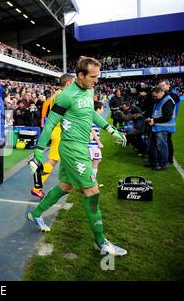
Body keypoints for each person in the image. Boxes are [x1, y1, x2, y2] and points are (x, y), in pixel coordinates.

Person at [27, 56, 128, 256]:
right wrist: (38, 151)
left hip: (80, 147)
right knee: (92, 192)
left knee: (65, 185)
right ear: (80, 75)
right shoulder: (65, 96)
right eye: (93, 77)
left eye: (97, 76)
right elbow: (49, 123)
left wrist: (110, 129)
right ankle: (101, 242)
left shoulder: (89, 90)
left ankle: (36, 214)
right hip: (72, 149)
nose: (96, 81)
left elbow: (90, 113)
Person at [31, 73, 75, 199]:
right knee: (54, 160)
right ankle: (37, 186)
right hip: (59, 131)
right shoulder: (62, 95)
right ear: (68, 83)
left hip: (57, 130)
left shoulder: (57, 94)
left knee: (58, 160)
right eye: (73, 82)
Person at [145, 86, 176, 170]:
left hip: (162, 128)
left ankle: (163, 164)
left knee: (162, 146)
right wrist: (151, 118)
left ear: (161, 93)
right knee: (153, 145)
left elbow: (167, 116)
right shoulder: (160, 100)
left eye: (156, 96)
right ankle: (154, 162)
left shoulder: (167, 101)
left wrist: (154, 120)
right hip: (157, 127)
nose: (154, 97)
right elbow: (156, 113)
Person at [158, 79, 180, 164]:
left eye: (163, 86)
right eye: (160, 86)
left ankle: (169, 158)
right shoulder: (170, 95)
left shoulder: (173, 95)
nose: (161, 88)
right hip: (168, 121)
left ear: (168, 85)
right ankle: (168, 158)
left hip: (168, 121)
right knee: (167, 140)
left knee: (167, 141)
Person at [88, 101, 105, 188]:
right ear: (98, 109)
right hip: (93, 145)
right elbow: (92, 131)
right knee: (94, 162)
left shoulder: (92, 117)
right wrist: (99, 142)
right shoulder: (93, 118)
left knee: (96, 161)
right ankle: (92, 183)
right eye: (102, 108)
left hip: (92, 145)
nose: (103, 110)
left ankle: (91, 182)